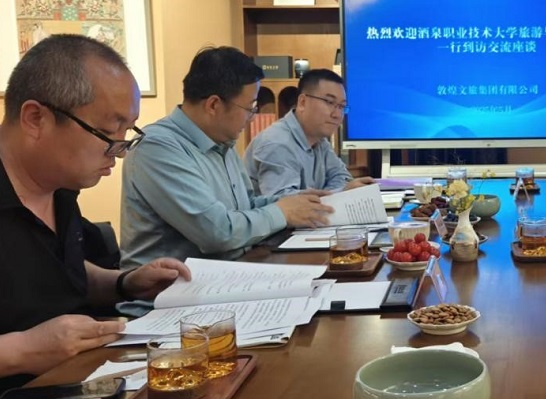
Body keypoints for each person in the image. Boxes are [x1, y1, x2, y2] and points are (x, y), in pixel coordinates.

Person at [0, 34, 190, 399]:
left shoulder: (59, 185)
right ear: (36, 118)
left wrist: (125, 283)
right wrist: (22, 349)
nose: (119, 152)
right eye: (108, 133)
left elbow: (53, 273)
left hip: (80, 390)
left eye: (127, 132)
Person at [120, 46, 334, 267]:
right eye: (250, 108)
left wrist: (295, 202)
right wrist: (282, 212)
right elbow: (217, 232)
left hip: (228, 272)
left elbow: (246, 205)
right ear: (214, 105)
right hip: (170, 286)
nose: (252, 118)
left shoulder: (221, 141)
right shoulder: (158, 147)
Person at [244, 69, 373, 198]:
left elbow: (342, 178)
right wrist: (338, 193)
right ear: (302, 102)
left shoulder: (319, 140)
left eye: (341, 107)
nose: (337, 115)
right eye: (329, 102)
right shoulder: (277, 143)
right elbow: (285, 203)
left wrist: (333, 193)